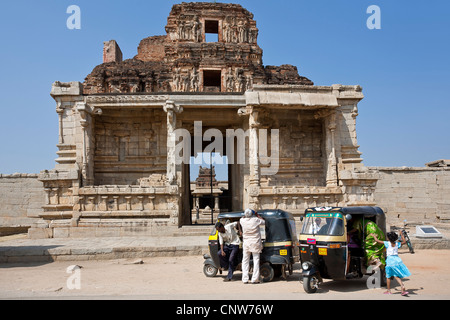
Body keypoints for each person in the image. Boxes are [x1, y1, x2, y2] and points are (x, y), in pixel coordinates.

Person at [372, 231, 411, 295]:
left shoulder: (387, 243)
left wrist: (373, 236)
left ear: (389, 238)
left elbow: (377, 241)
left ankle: (389, 291)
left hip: (390, 261)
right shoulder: (397, 244)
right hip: (397, 260)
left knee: (388, 276)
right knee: (396, 275)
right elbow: (404, 242)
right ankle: (402, 286)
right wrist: (401, 235)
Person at [239, 208, 265, 284]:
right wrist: (257, 214)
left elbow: (242, 217)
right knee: (256, 261)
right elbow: (263, 221)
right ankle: (254, 279)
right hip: (255, 243)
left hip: (246, 243)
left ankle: (245, 279)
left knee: (245, 261)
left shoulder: (242, 221)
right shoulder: (255, 220)